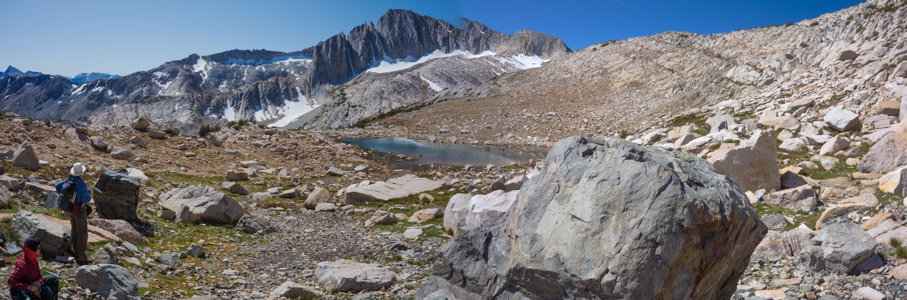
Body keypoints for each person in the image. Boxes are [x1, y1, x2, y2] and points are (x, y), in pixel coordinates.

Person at [54, 162, 92, 265]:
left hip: (71, 209)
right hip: (79, 210)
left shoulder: (68, 180)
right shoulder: (82, 184)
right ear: (81, 173)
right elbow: (85, 199)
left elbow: (57, 186)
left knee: (74, 230)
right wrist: (89, 196)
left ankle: (76, 252)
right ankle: (81, 256)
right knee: (82, 232)